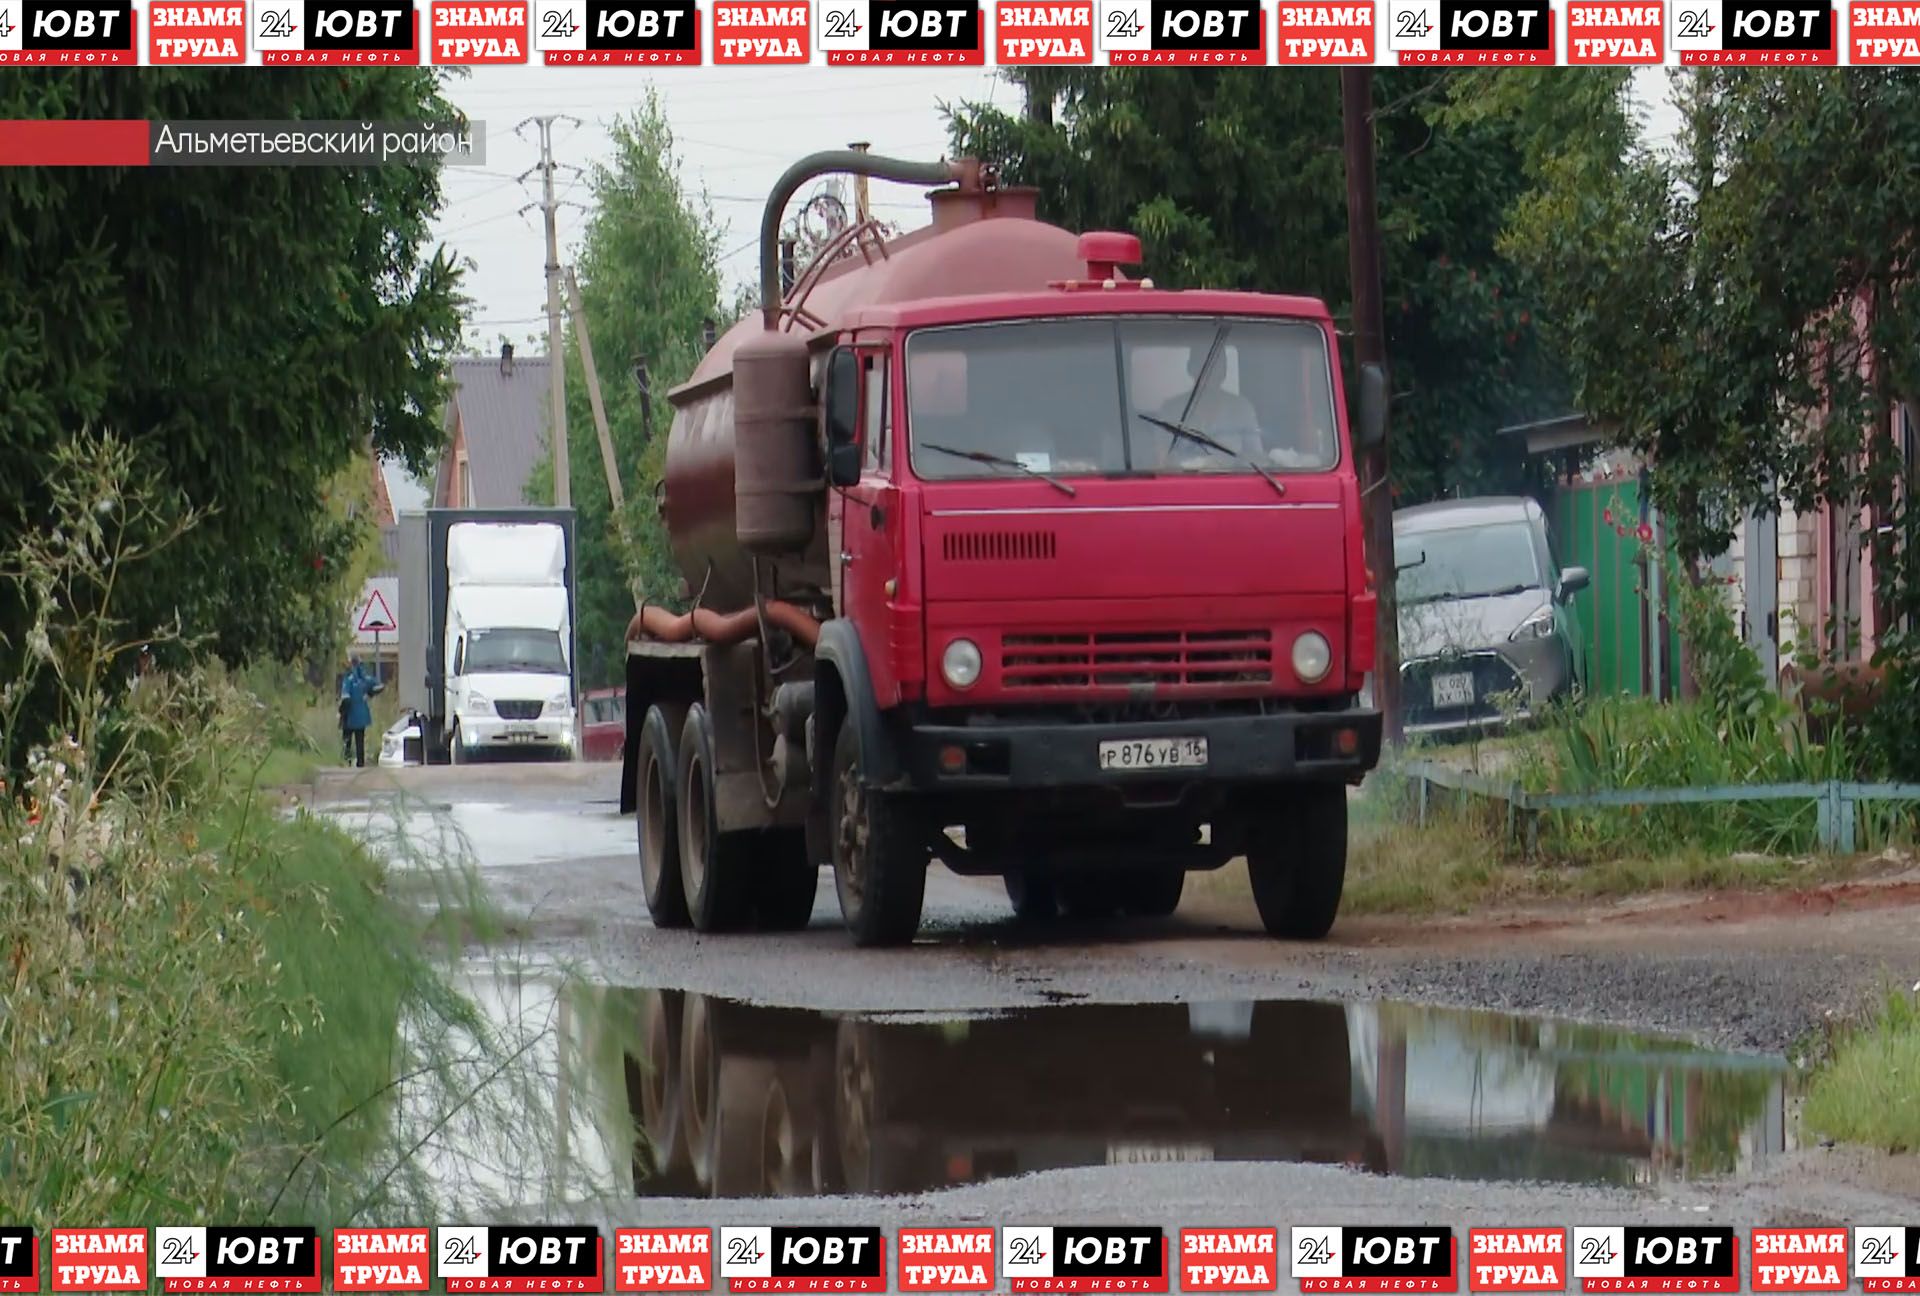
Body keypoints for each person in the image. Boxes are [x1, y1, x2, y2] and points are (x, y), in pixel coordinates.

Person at [339, 656, 382, 768]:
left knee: (347, 740)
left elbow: (345, 698)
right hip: (362, 716)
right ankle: (360, 764)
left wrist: (341, 713)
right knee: (360, 741)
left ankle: (347, 762)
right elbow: (380, 686)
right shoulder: (365, 678)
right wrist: (369, 694)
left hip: (350, 716)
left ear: (351, 663)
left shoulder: (348, 679)